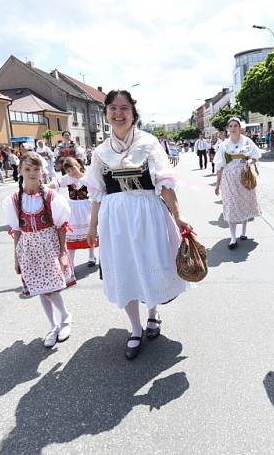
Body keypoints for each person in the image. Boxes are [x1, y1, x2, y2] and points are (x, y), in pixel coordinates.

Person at [84, 89, 193, 360]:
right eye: (113, 108)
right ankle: (135, 328)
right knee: (124, 270)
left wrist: (178, 217)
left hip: (147, 214)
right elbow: (97, 193)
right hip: (115, 220)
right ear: (106, 113)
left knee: (148, 264)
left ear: (133, 113)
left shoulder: (149, 143)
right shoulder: (99, 152)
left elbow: (165, 184)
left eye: (124, 108)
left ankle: (153, 313)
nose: (118, 113)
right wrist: (92, 226)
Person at [4, 152, 75, 349]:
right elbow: (16, 231)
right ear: (20, 171)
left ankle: (65, 318)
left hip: (49, 246)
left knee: (51, 288)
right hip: (28, 249)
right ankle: (53, 326)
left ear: (42, 171)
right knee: (40, 290)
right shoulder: (14, 200)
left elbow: (62, 226)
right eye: (27, 169)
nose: (32, 173)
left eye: (36, 169)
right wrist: (16, 257)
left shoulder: (52, 197)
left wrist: (63, 253)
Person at [214, 117, 262, 249]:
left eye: (236, 125)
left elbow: (256, 157)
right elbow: (220, 166)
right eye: (231, 126)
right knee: (231, 206)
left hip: (244, 177)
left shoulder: (247, 141)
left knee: (244, 203)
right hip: (229, 179)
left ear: (240, 127)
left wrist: (249, 162)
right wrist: (217, 184)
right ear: (228, 128)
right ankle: (233, 237)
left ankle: (243, 232)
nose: (233, 128)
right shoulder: (223, 145)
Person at [51, 157, 98, 273]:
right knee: (71, 234)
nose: (71, 172)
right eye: (68, 171)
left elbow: (97, 187)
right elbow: (56, 183)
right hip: (72, 209)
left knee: (88, 231)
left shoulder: (87, 178)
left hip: (86, 207)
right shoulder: (67, 179)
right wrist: (45, 186)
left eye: (73, 169)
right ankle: (70, 264)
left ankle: (91, 256)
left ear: (78, 165)